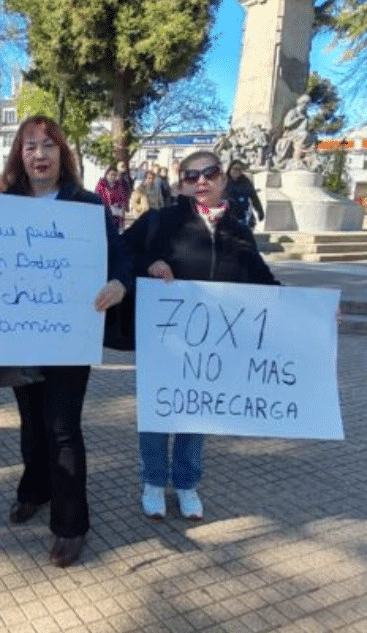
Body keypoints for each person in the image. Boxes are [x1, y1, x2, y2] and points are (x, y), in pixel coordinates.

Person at [0, 115, 132, 568]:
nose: (39, 154)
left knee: (62, 429)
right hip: (15, 334)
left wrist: (120, 283)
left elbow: (121, 258)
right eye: (30, 145)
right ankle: (34, 490)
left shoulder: (88, 206)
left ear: (62, 154)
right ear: (19, 154)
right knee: (31, 424)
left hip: (70, 335)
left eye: (48, 146)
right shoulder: (0, 205)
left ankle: (71, 524)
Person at [123, 150, 278, 523]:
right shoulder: (161, 220)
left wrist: (315, 313)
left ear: (223, 178)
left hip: (212, 343)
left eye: (209, 173)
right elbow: (122, 252)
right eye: (192, 176)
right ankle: (154, 482)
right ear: (181, 183)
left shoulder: (238, 231)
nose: (202, 181)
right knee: (159, 414)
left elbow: (263, 281)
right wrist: (149, 264)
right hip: (164, 338)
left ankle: (188, 484)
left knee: (197, 413)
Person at [225, 160, 265, 228]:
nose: (237, 171)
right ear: (230, 169)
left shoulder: (245, 181)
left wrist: (259, 211)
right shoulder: (223, 182)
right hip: (228, 216)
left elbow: (254, 196)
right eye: (235, 169)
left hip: (244, 215)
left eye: (240, 169)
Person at [95, 166, 130, 233]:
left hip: (115, 216)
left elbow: (123, 199)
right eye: (111, 174)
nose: (112, 177)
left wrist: (119, 204)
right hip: (103, 214)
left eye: (114, 175)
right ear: (106, 174)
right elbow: (97, 197)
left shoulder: (119, 186)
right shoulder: (101, 185)